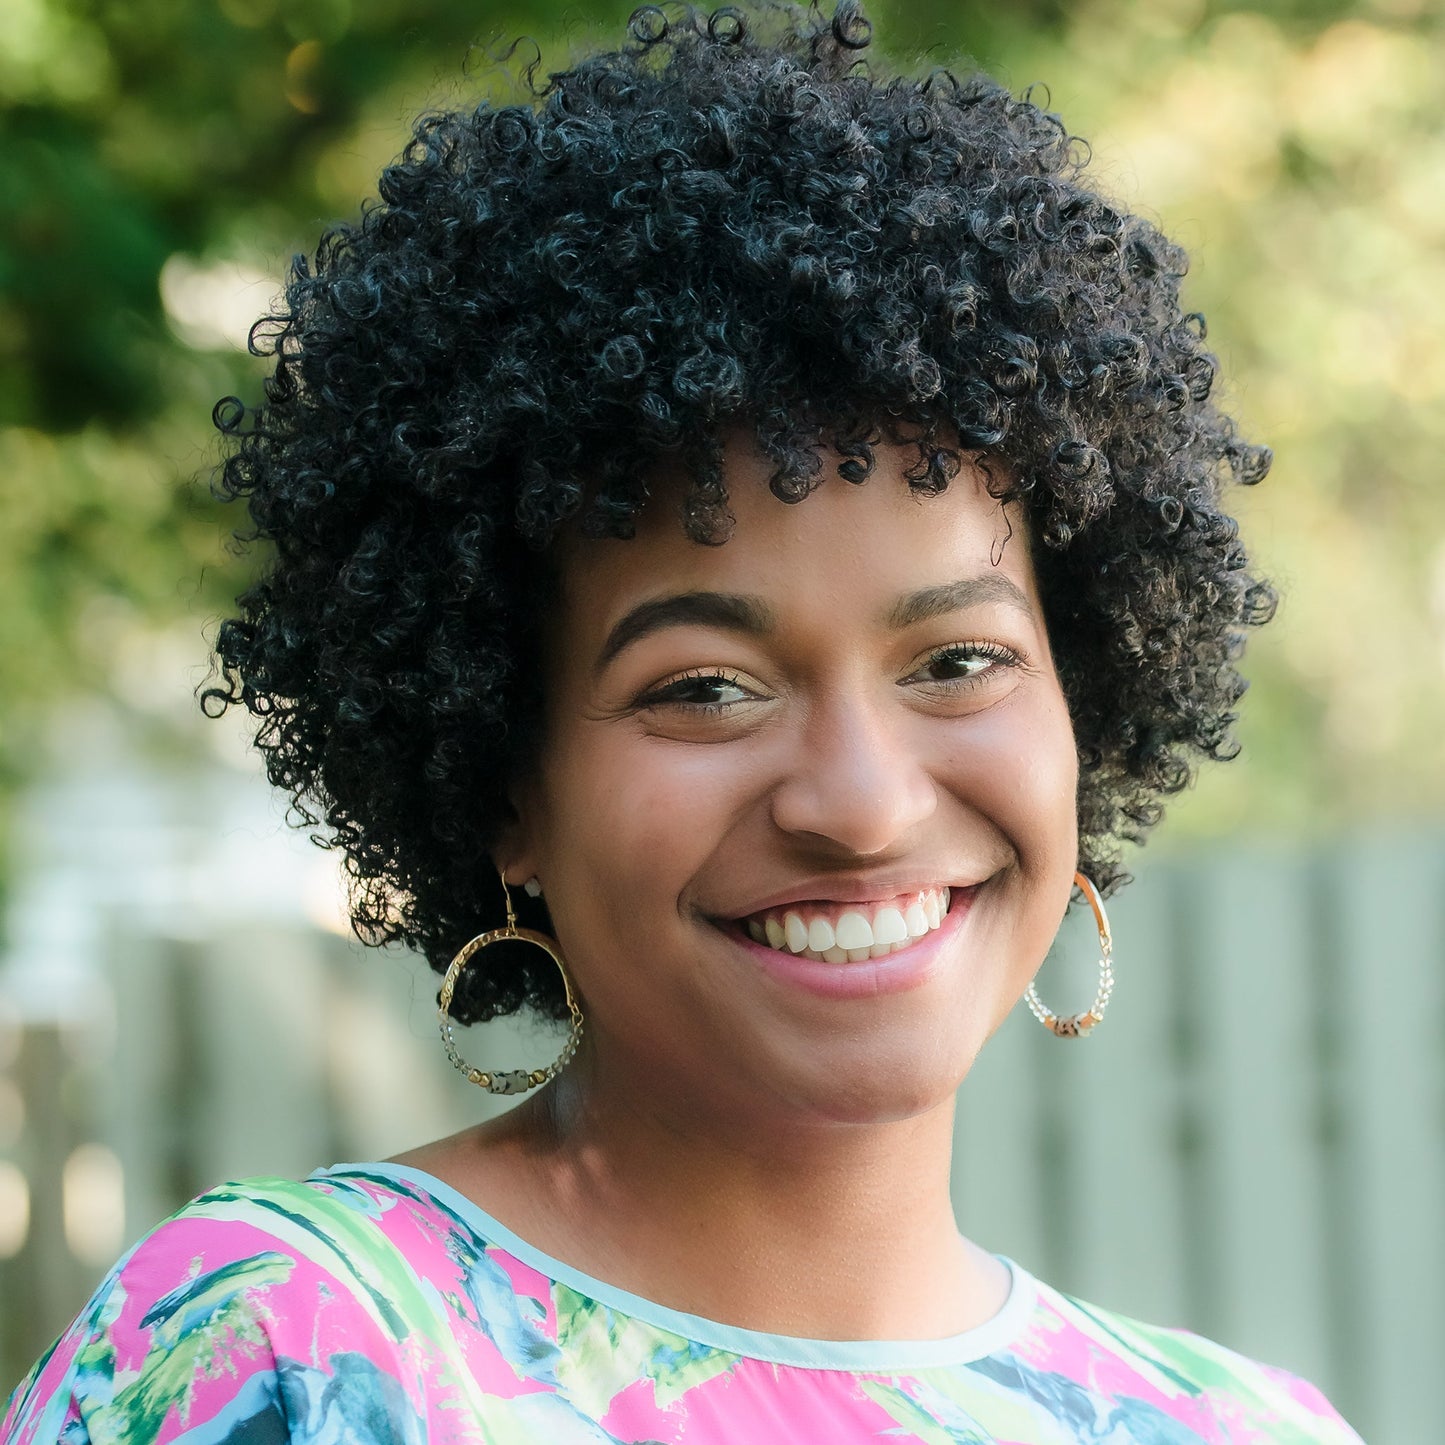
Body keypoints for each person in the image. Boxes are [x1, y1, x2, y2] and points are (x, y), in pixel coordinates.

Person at [3, 3, 1364, 1441]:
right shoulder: (298, 1352)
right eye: (705, 687)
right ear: (503, 781)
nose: (861, 802)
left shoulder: (1239, 1427)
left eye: (957, 659)